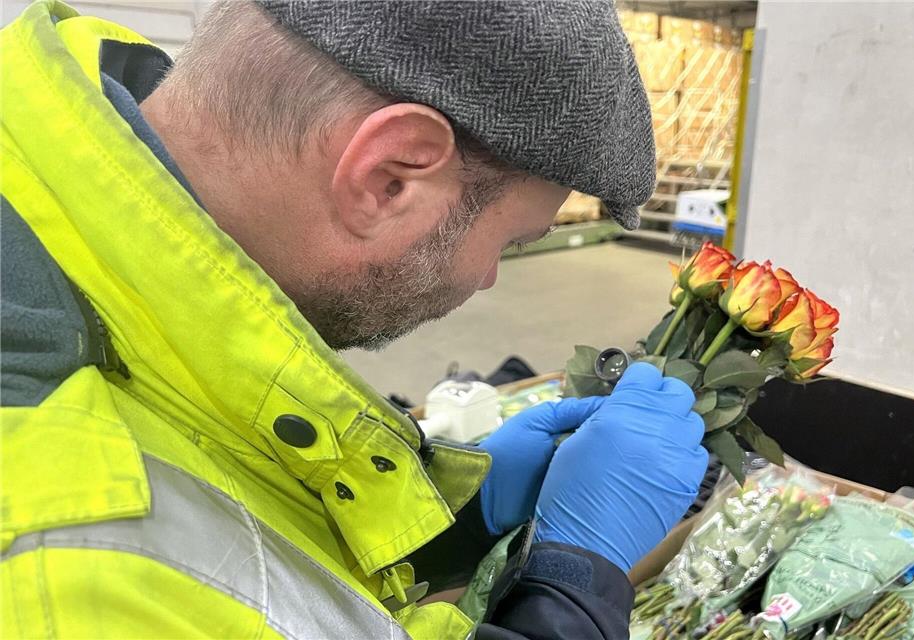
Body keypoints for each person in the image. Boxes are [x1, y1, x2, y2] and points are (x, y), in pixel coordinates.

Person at [0, 1, 708, 638]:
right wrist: (574, 582)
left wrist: (454, 525)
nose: (491, 277)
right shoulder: (66, 556)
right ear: (389, 176)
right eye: (511, 240)